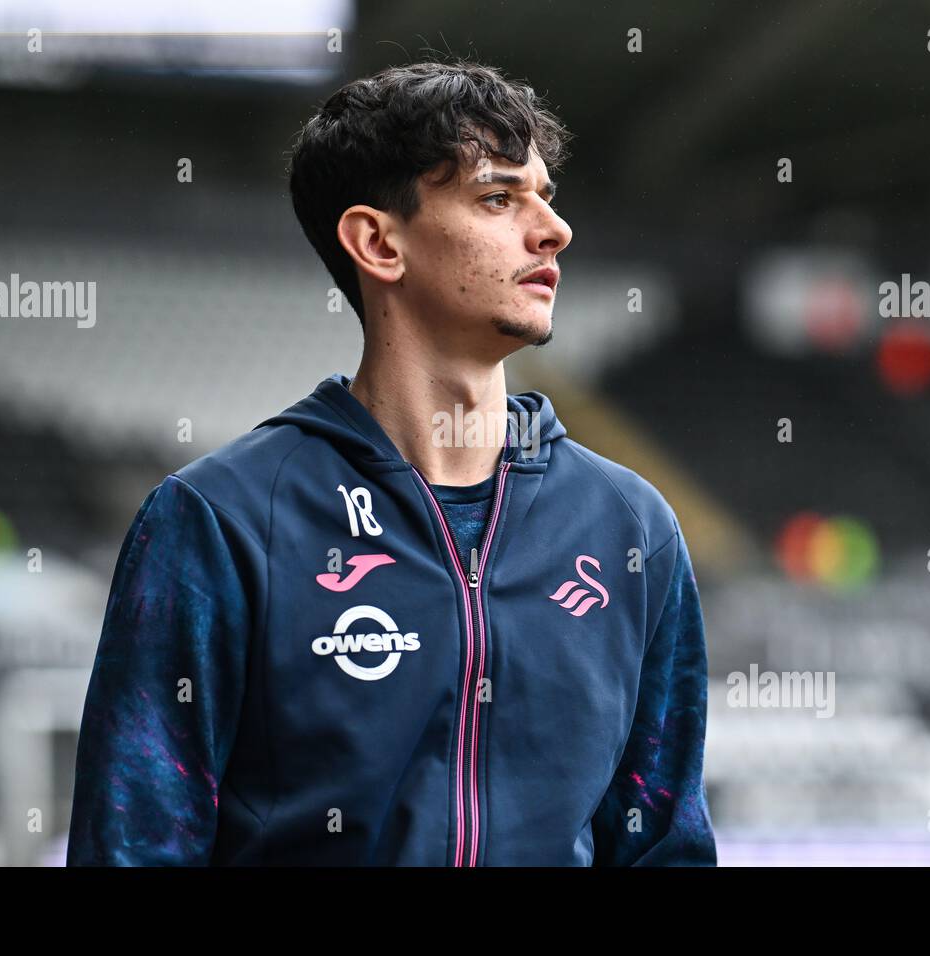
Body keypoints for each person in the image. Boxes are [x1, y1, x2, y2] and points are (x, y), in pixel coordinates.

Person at [67, 59, 717, 866]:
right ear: (377, 242)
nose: (553, 229)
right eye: (498, 198)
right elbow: (136, 845)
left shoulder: (630, 528)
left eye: (546, 197)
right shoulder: (221, 522)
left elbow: (661, 844)